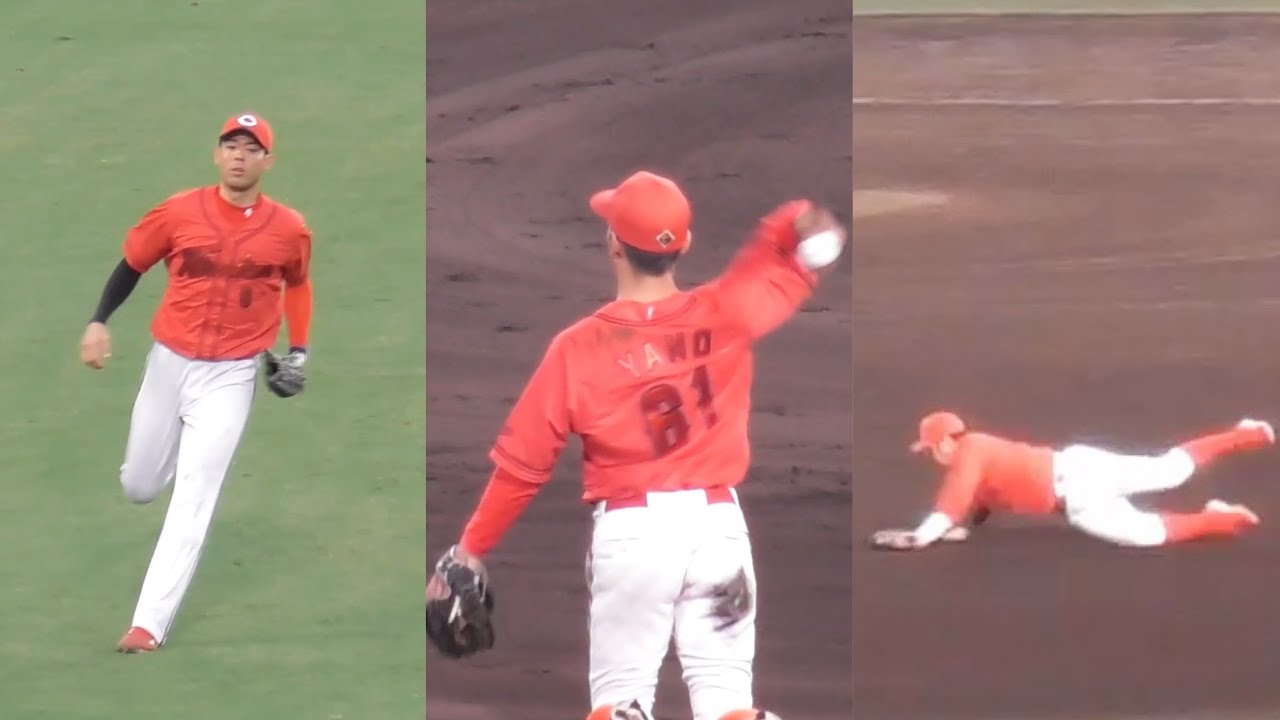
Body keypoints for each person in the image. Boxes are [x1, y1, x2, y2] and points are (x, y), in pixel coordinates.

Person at [426, 170, 845, 720]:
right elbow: (792, 248)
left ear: (613, 245)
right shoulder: (730, 311)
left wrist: (469, 550)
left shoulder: (578, 348)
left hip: (633, 538)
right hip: (719, 531)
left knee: (620, 697)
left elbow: (522, 468)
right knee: (726, 697)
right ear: (684, 246)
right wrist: (805, 220)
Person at [79, 112, 314, 653]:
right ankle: (164, 461)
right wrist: (98, 321)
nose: (239, 156)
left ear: (267, 162)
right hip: (168, 364)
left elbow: (298, 285)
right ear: (217, 155)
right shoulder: (179, 211)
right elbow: (132, 264)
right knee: (140, 486)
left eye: (251, 149)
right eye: (231, 146)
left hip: (230, 376)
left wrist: (299, 351)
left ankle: (148, 625)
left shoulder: (288, 229)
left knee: (195, 494)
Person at [871, 411, 1273, 551]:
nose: (932, 455)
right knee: (1148, 530)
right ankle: (1221, 517)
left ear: (945, 441)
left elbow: (953, 500)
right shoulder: (976, 454)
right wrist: (962, 529)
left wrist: (921, 538)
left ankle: (1246, 434)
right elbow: (979, 500)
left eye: (930, 448)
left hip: (1079, 480)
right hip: (1077, 488)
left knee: (1169, 476)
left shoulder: (970, 451)